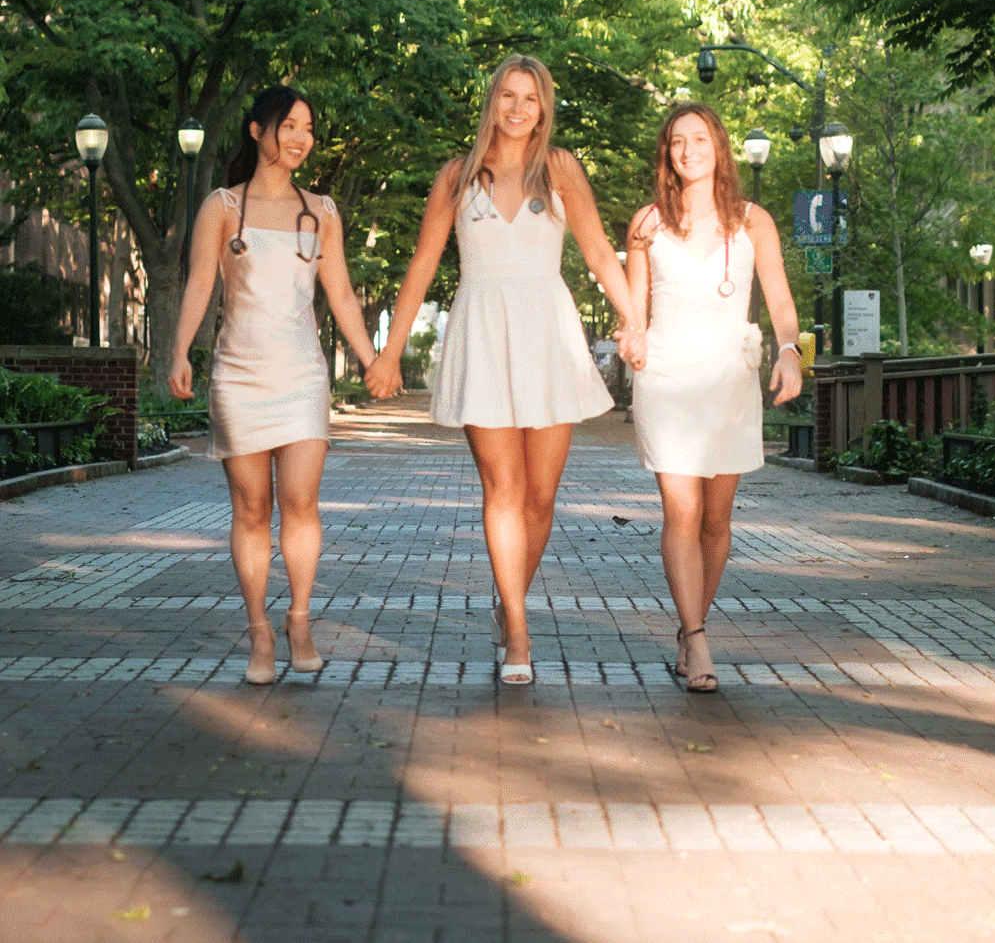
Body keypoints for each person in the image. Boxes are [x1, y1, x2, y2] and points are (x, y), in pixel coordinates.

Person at [366, 56, 645, 685]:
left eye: (530, 98)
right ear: (492, 101)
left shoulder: (561, 169)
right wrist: (389, 352)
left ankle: (507, 596)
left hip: (548, 334)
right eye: (508, 96)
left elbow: (599, 250)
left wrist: (635, 321)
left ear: (544, 109)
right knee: (503, 489)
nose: (518, 108)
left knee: (540, 497)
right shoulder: (457, 176)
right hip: (483, 333)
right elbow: (423, 264)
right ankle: (517, 626)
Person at [168, 86, 380, 685]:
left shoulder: (323, 212)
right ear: (258, 130)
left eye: (308, 128)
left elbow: (342, 294)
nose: (300, 138)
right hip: (238, 374)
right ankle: (259, 630)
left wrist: (372, 360)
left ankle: (300, 621)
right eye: (289, 125)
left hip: (302, 375)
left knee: (301, 502)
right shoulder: (222, 207)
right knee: (252, 507)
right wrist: (179, 352)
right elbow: (199, 285)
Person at [624, 103, 802, 693]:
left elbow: (778, 297)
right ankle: (698, 636)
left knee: (716, 520)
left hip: (728, 378)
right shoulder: (647, 223)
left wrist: (789, 351)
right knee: (682, 510)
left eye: (699, 138)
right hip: (667, 378)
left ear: (719, 147)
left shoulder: (754, 221)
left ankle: (689, 623)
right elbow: (635, 309)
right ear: (667, 154)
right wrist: (631, 337)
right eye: (677, 141)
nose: (689, 150)